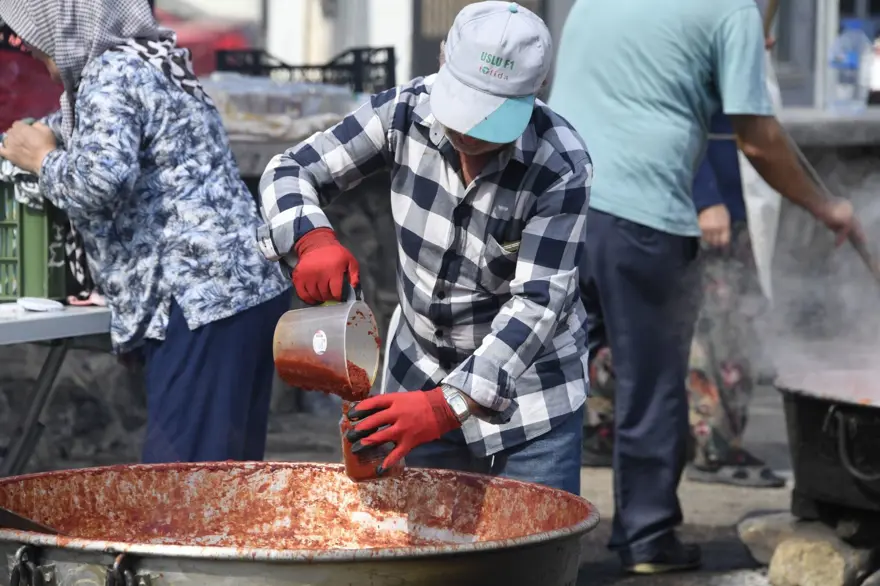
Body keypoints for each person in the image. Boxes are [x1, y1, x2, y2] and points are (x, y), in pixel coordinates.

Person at [549, 0, 859, 574]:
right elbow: (759, 138)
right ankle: (647, 540)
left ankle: (536, 531)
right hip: (643, 219)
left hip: (558, 206)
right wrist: (826, 206)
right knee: (652, 386)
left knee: (551, 373)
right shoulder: (729, 10)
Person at [258, 1, 591, 494]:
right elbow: (291, 168)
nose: (469, 133)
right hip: (418, 372)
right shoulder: (404, 111)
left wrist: (443, 406)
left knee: (529, 554)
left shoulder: (559, 163)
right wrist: (311, 238)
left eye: (490, 117)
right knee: (423, 554)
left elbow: (538, 305)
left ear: (535, 92)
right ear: (441, 61)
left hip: (531, 397)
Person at [0, 0, 291, 464]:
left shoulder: (110, 72)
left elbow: (99, 179)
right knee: (228, 488)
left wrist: (41, 160)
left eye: (28, 32)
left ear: (66, 22)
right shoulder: (151, 59)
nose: (25, 47)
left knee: (182, 495)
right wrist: (38, 140)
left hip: (201, 301)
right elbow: (88, 134)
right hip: (239, 291)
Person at [582, 113, 786, 490]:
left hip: (643, 201)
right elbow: (675, 114)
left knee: (632, 331)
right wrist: (705, 194)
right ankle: (717, 445)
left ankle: (603, 427)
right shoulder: (718, 51)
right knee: (724, 332)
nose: (772, 48)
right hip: (708, 204)